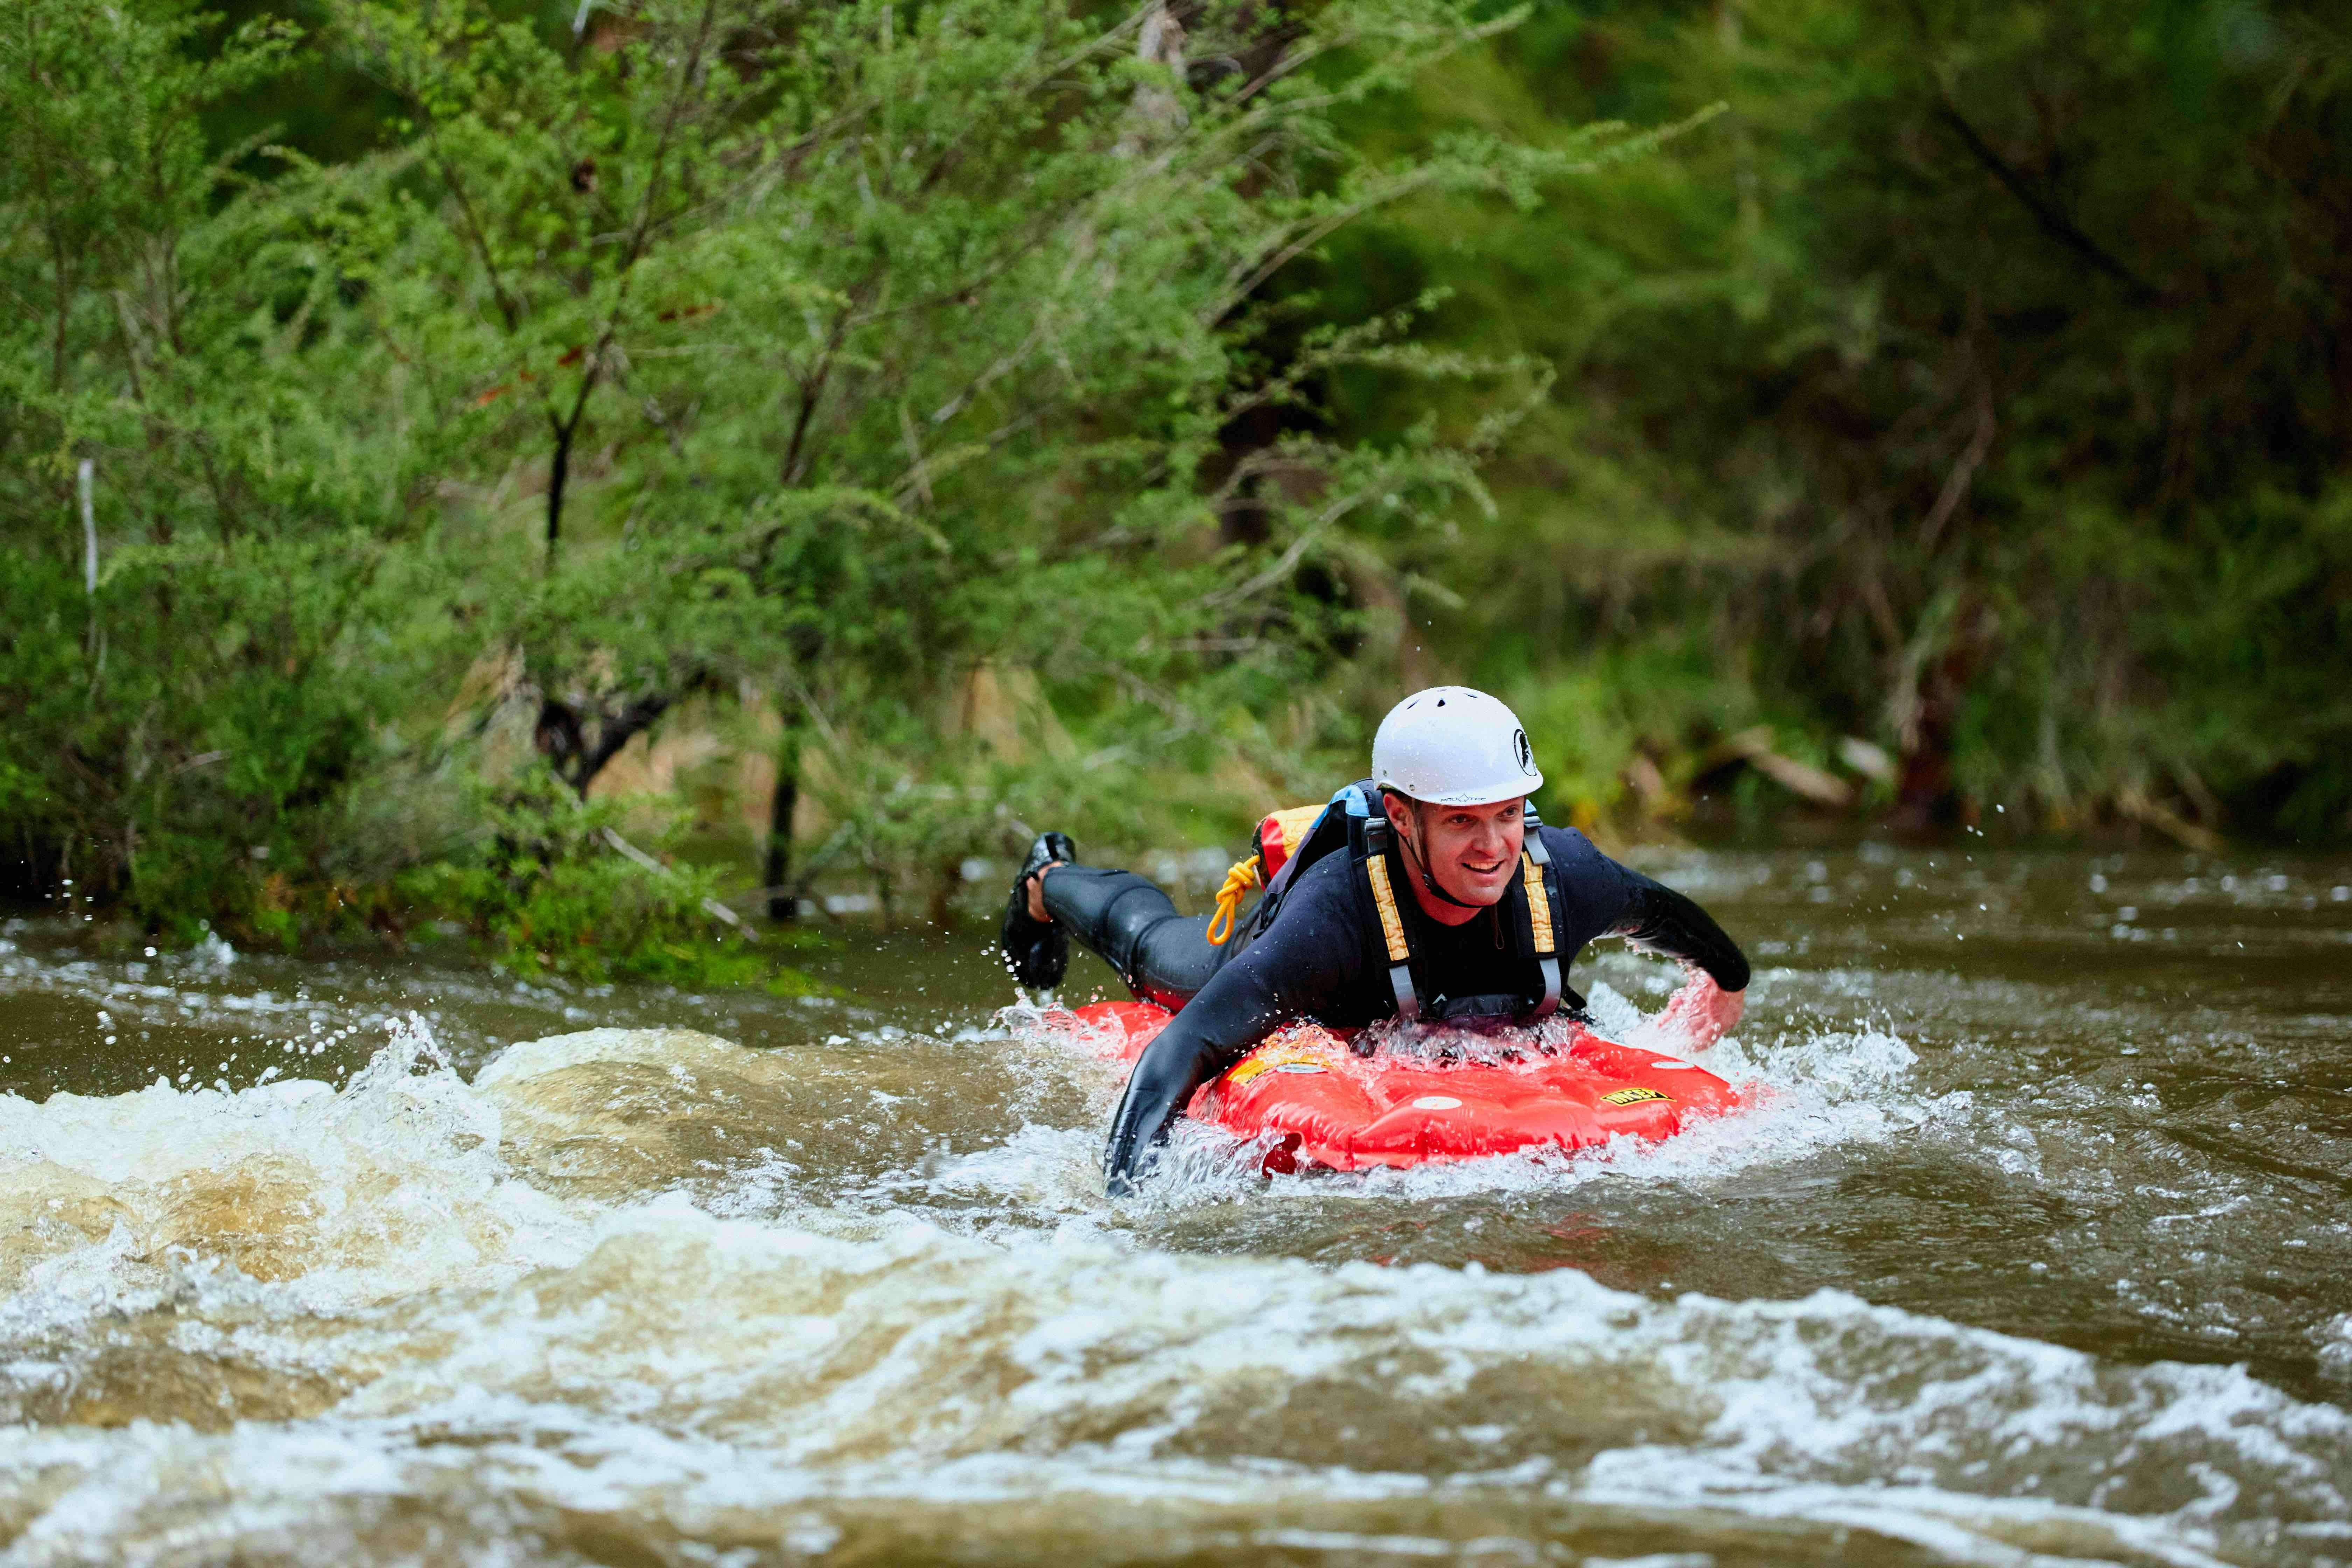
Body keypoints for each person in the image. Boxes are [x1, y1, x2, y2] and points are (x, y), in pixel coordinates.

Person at [998, 687, 1751, 1195]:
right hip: (1283, 962)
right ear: (1400, 814)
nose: (1494, 847)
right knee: (1156, 950)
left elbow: (1663, 912)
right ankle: (1047, 878)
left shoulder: (1566, 874)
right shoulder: (1330, 922)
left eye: (1509, 814)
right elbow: (1181, 1048)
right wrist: (1126, 1207)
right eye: (1461, 820)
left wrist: (1728, 980)